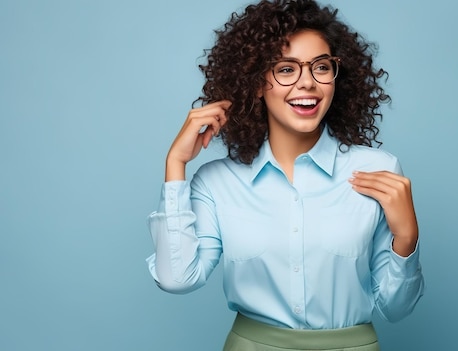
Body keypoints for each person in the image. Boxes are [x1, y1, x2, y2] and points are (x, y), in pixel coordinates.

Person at [146, 0, 424, 349]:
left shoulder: (378, 171)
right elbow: (177, 278)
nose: (307, 83)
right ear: (257, 81)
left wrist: (407, 239)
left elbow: (396, 309)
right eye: (286, 69)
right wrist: (176, 166)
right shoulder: (217, 183)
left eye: (321, 67)